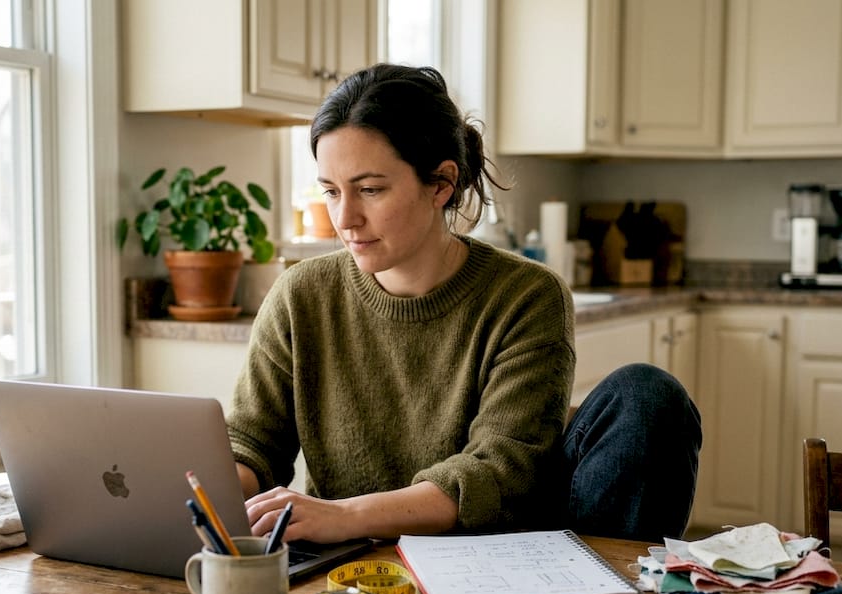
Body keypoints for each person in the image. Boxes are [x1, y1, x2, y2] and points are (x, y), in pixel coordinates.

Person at [227, 63, 700, 546]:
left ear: (441, 183)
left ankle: (604, 588)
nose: (344, 218)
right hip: (348, 563)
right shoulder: (300, 295)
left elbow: (501, 470)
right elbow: (251, 443)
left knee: (648, 395)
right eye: (331, 191)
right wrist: (210, 490)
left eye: (370, 190)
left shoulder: (527, 296)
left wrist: (346, 515)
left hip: (491, 558)